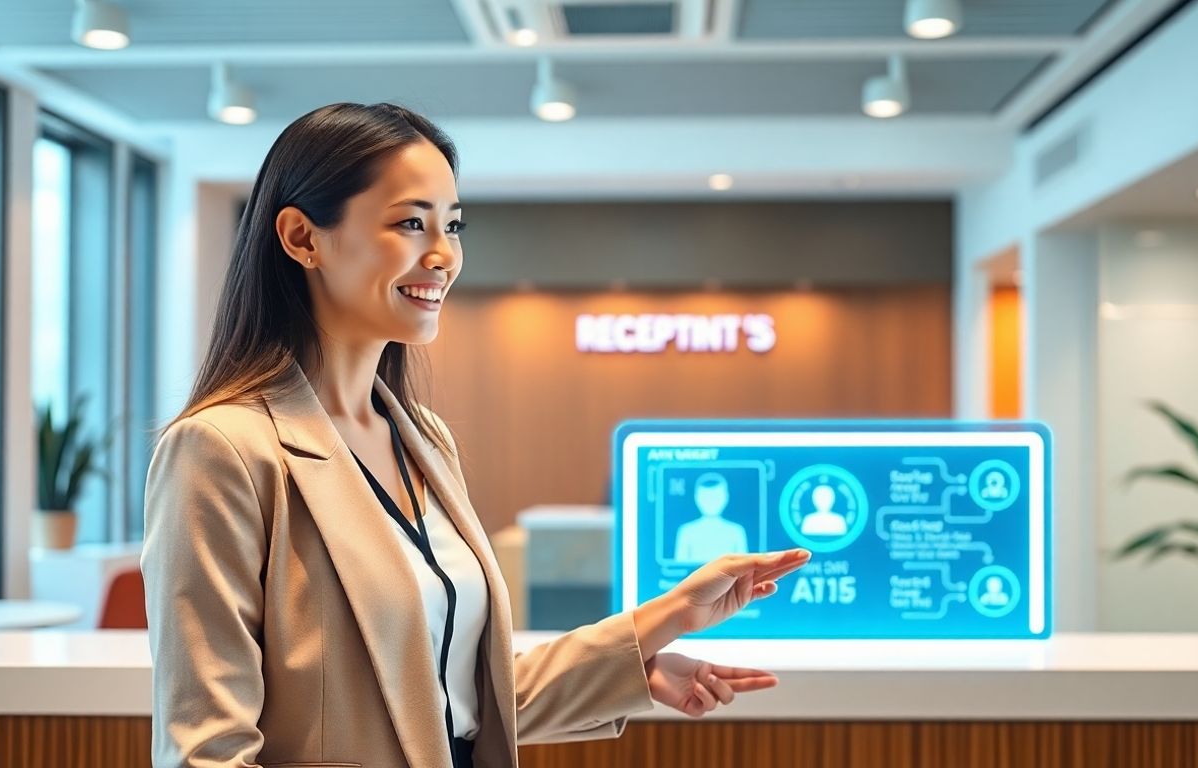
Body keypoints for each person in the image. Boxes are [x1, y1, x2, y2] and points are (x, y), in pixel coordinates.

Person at [141, 102, 811, 768]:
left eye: (452, 226)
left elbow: (447, 705)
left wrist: (664, 620)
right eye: (410, 223)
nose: (442, 256)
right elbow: (207, 752)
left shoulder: (423, 441)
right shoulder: (221, 450)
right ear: (301, 238)